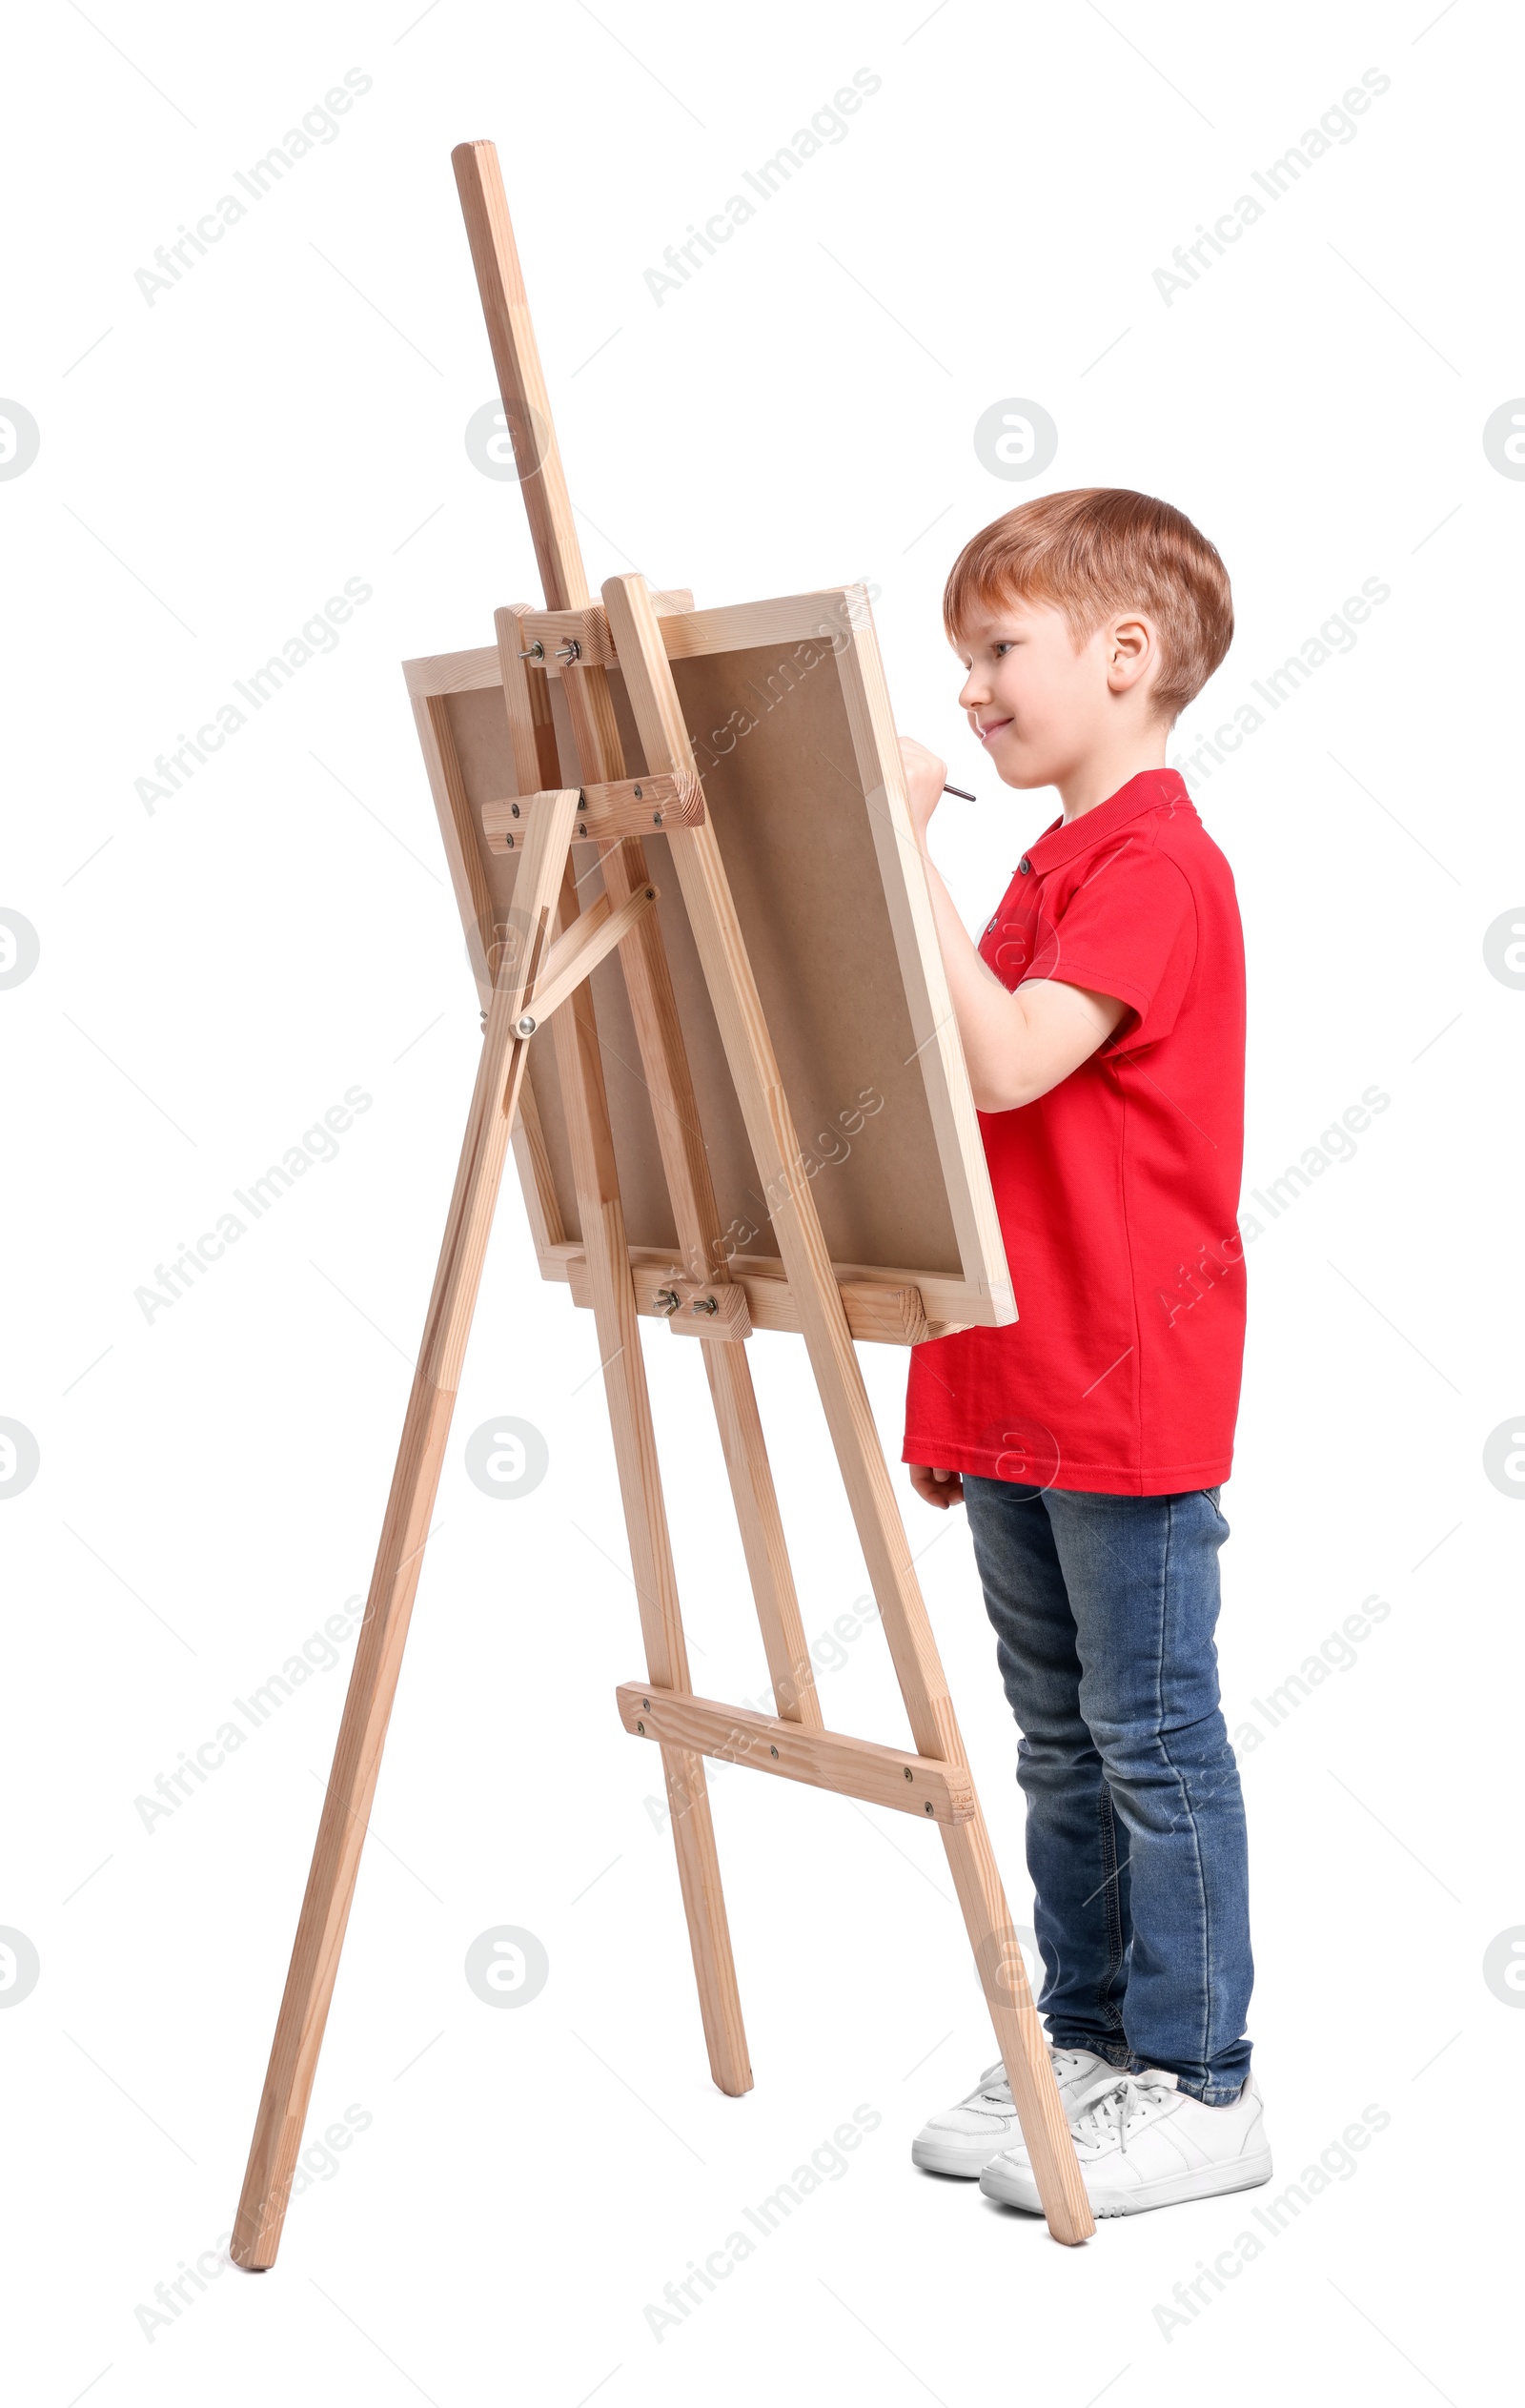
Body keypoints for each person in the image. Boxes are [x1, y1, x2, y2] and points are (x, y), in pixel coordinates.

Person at [900, 488, 1271, 2218]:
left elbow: (1007, 1068)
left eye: (999, 647)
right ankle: (1094, 2042)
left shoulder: (1154, 867)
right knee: (1057, 1739)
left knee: (1148, 1735)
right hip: (1019, 1381)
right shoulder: (1049, 865)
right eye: (963, 654)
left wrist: (892, 846)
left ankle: (1202, 2079)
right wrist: (945, 1382)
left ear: (1124, 657)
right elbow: (957, 1117)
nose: (970, 686)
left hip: (1122, 1385)